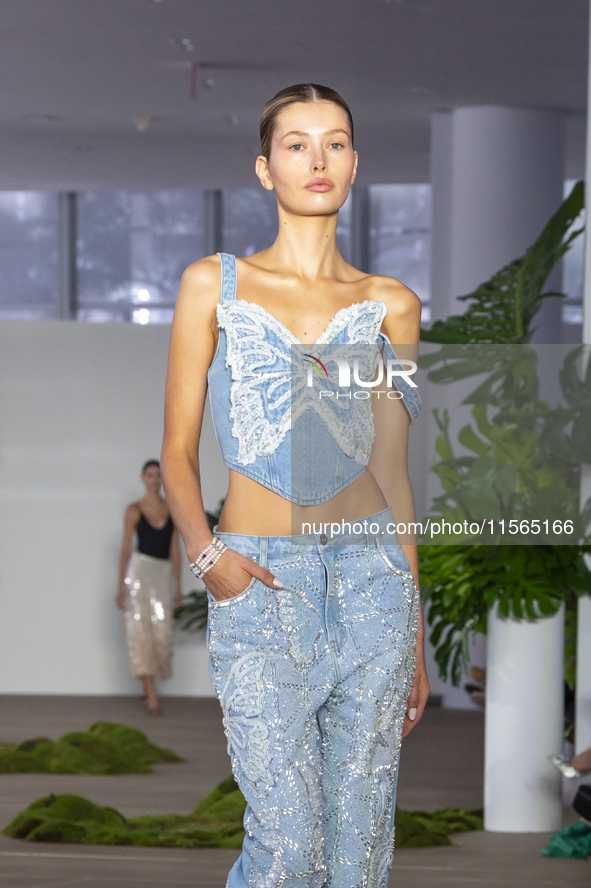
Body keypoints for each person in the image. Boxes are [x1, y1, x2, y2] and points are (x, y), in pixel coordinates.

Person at [161, 84, 429, 887]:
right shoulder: (214, 286)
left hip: (373, 583)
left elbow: (391, 469)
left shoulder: (392, 306)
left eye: (336, 142)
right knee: (283, 842)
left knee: (359, 843)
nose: (317, 158)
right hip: (261, 579)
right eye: (296, 143)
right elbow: (175, 453)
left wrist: (412, 626)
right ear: (263, 166)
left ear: (354, 165)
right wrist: (213, 562)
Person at [116, 459, 182, 716]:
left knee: (161, 630)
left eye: (158, 476)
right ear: (143, 478)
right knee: (141, 629)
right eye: (150, 475)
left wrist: (177, 588)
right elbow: (125, 550)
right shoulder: (134, 510)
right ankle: (150, 691)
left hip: (162, 574)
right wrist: (120, 586)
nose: (154, 480)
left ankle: (148, 686)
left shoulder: (173, 509)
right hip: (140, 573)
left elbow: (175, 552)